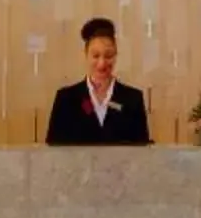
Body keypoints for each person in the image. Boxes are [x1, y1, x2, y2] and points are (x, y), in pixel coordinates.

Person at [46, 16, 151, 146]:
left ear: (116, 56)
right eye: (95, 56)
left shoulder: (132, 99)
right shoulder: (67, 99)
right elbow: (52, 152)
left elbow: (143, 154)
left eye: (108, 56)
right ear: (86, 55)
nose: (102, 64)